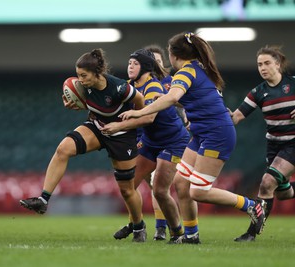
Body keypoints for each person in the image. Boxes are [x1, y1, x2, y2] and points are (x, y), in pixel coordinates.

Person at [119, 32, 266, 244]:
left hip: (216, 134)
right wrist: (167, 98)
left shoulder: (185, 73)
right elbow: (191, 100)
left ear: (173, 54)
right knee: (180, 183)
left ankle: (252, 206)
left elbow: (173, 97)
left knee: (198, 191)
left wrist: (139, 111)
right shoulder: (199, 68)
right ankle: (191, 235)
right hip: (201, 134)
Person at [19, 48, 147, 242]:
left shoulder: (119, 88)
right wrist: (75, 104)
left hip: (122, 135)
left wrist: (126, 124)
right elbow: (86, 102)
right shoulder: (81, 86)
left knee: (127, 190)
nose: (80, 79)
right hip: (98, 127)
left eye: (84, 75)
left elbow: (141, 103)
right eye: (78, 74)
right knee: (63, 149)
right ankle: (43, 199)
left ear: (97, 74)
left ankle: (138, 227)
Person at [110, 48, 189, 242]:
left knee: (160, 191)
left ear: (145, 67)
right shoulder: (129, 86)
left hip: (173, 142)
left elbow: (149, 118)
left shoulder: (153, 86)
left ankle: (177, 233)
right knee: (128, 187)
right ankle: (137, 225)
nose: (130, 66)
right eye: (129, 63)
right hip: (150, 142)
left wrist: (118, 126)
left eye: (135, 63)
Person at [230, 45, 295, 242]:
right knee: (282, 193)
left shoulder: (293, 84)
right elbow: (237, 117)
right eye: (259, 64)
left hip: (292, 144)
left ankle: (251, 234)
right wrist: (216, 116)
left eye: (267, 63)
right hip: (273, 146)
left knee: (266, 183)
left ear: (278, 64)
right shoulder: (258, 92)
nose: (263, 67)